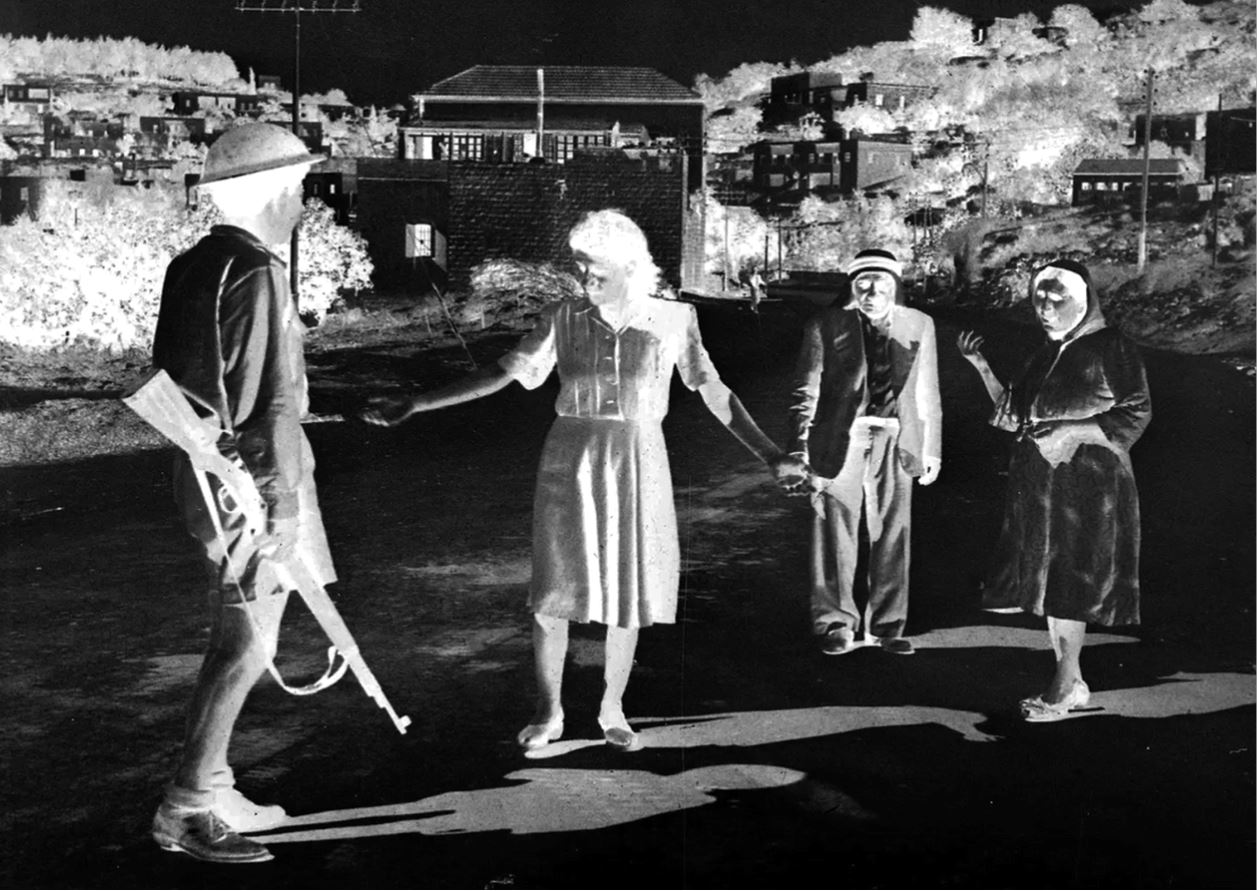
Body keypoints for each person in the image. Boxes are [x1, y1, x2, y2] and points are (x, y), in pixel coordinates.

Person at [363, 209, 804, 752]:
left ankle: (612, 709)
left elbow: (715, 392)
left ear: (630, 266)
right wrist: (418, 402)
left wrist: (771, 455)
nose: (584, 277)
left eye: (596, 268)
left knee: (628, 590)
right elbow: (502, 372)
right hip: (569, 460)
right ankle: (549, 711)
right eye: (579, 266)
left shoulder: (674, 319)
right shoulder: (563, 317)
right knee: (554, 592)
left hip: (640, 458)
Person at [148, 123, 333, 863]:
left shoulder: (192, 263)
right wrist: (282, 502)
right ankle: (186, 807)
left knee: (237, 635)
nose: (303, 205)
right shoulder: (258, 270)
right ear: (271, 193)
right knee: (250, 643)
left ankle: (216, 785)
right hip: (249, 485)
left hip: (203, 475)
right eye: (299, 190)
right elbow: (270, 402)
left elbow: (175, 379)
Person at [957, 259, 1150, 722]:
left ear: (1082, 302)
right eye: (1039, 298)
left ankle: (1064, 687)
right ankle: (1071, 680)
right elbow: (1013, 416)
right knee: (1052, 584)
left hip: (1090, 485)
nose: (1044, 307)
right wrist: (980, 366)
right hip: (1042, 486)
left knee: (1072, 583)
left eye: (1056, 298)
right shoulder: (1045, 353)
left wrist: (1071, 430)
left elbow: (1136, 412)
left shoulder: (1112, 346)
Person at [786, 248, 942, 656]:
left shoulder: (919, 323)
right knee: (834, 529)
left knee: (893, 531)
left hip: (897, 436)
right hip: (841, 437)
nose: (872, 293)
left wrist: (932, 450)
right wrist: (798, 445)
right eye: (863, 285)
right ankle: (835, 623)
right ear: (852, 287)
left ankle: (887, 626)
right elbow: (805, 389)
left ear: (896, 287)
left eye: (881, 285)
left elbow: (927, 390)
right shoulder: (826, 324)